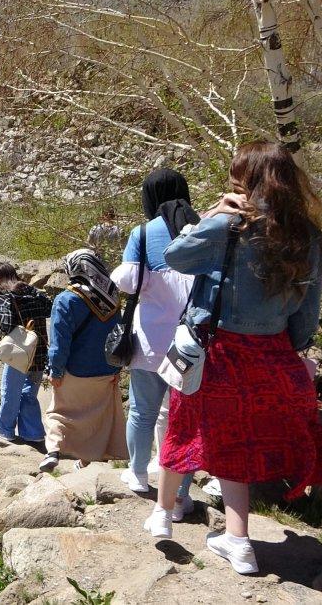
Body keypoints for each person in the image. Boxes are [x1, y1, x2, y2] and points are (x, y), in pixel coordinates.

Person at [147, 142, 322, 575]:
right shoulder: (307, 235)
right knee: (239, 448)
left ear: (250, 180)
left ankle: (173, 516)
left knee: (187, 429)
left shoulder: (233, 225)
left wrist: (215, 214)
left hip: (217, 349)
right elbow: (308, 311)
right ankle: (238, 541)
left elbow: (175, 257)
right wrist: (287, 352)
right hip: (272, 353)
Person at [110, 169, 197, 514]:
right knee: (184, 421)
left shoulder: (143, 233)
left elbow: (128, 282)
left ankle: (137, 475)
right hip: (191, 344)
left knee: (142, 412)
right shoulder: (203, 227)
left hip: (149, 340)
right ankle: (179, 497)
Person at [40, 250, 126, 473]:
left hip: (74, 371)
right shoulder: (113, 298)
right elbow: (119, 335)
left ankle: (53, 452)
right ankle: (86, 461)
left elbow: (59, 342)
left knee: (58, 413)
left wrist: (55, 371)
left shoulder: (66, 299)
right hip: (106, 371)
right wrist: (117, 367)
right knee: (96, 419)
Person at [0, 263, 52, 444]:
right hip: (39, 351)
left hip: (18, 354)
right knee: (28, 393)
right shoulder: (35, 293)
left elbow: (5, 326)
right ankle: (33, 433)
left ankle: (5, 429)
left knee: (10, 391)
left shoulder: (6, 297)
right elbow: (50, 309)